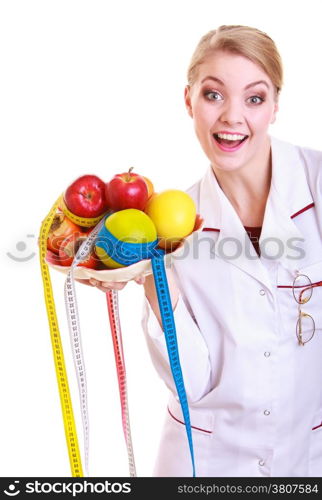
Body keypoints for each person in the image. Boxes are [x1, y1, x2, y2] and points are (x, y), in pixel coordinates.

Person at [79, 25, 322, 477]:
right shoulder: (169, 228)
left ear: (275, 107)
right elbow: (192, 383)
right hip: (204, 466)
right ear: (189, 100)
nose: (232, 116)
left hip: (307, 460)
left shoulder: (315, 180)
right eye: (214, 95)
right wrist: (150, 277)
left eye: (254, 98)